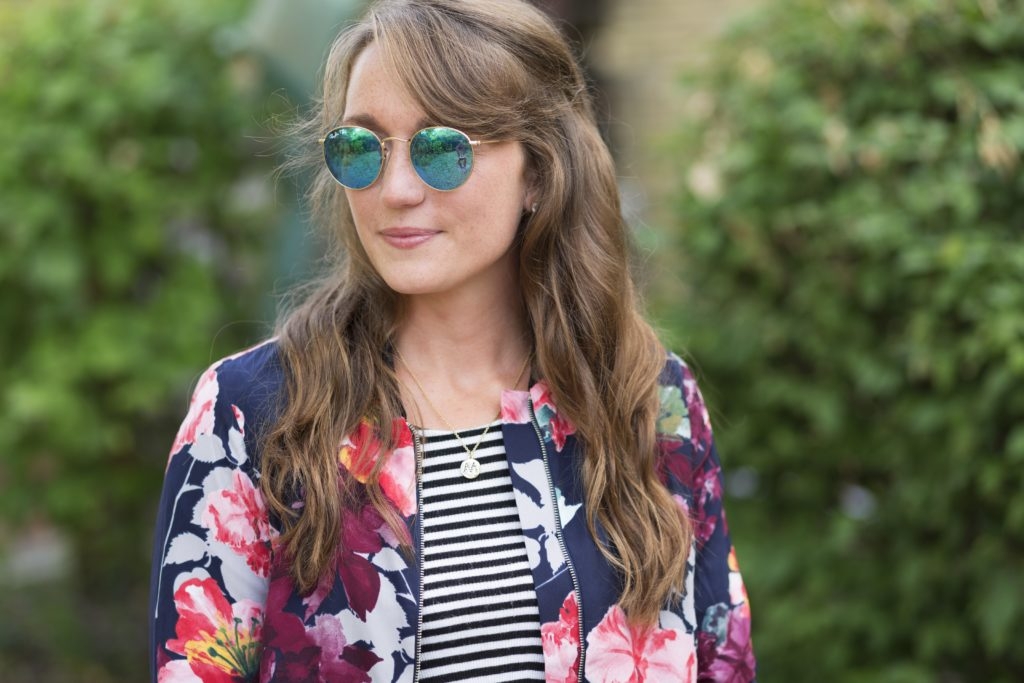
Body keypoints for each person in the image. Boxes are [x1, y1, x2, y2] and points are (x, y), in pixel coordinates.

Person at [149, 0, 756, 680]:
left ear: (536, 171)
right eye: (361, 147)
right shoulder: (251, 414)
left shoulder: (651, 402)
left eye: (442, 148)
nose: (397, 188)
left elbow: (722, 661)